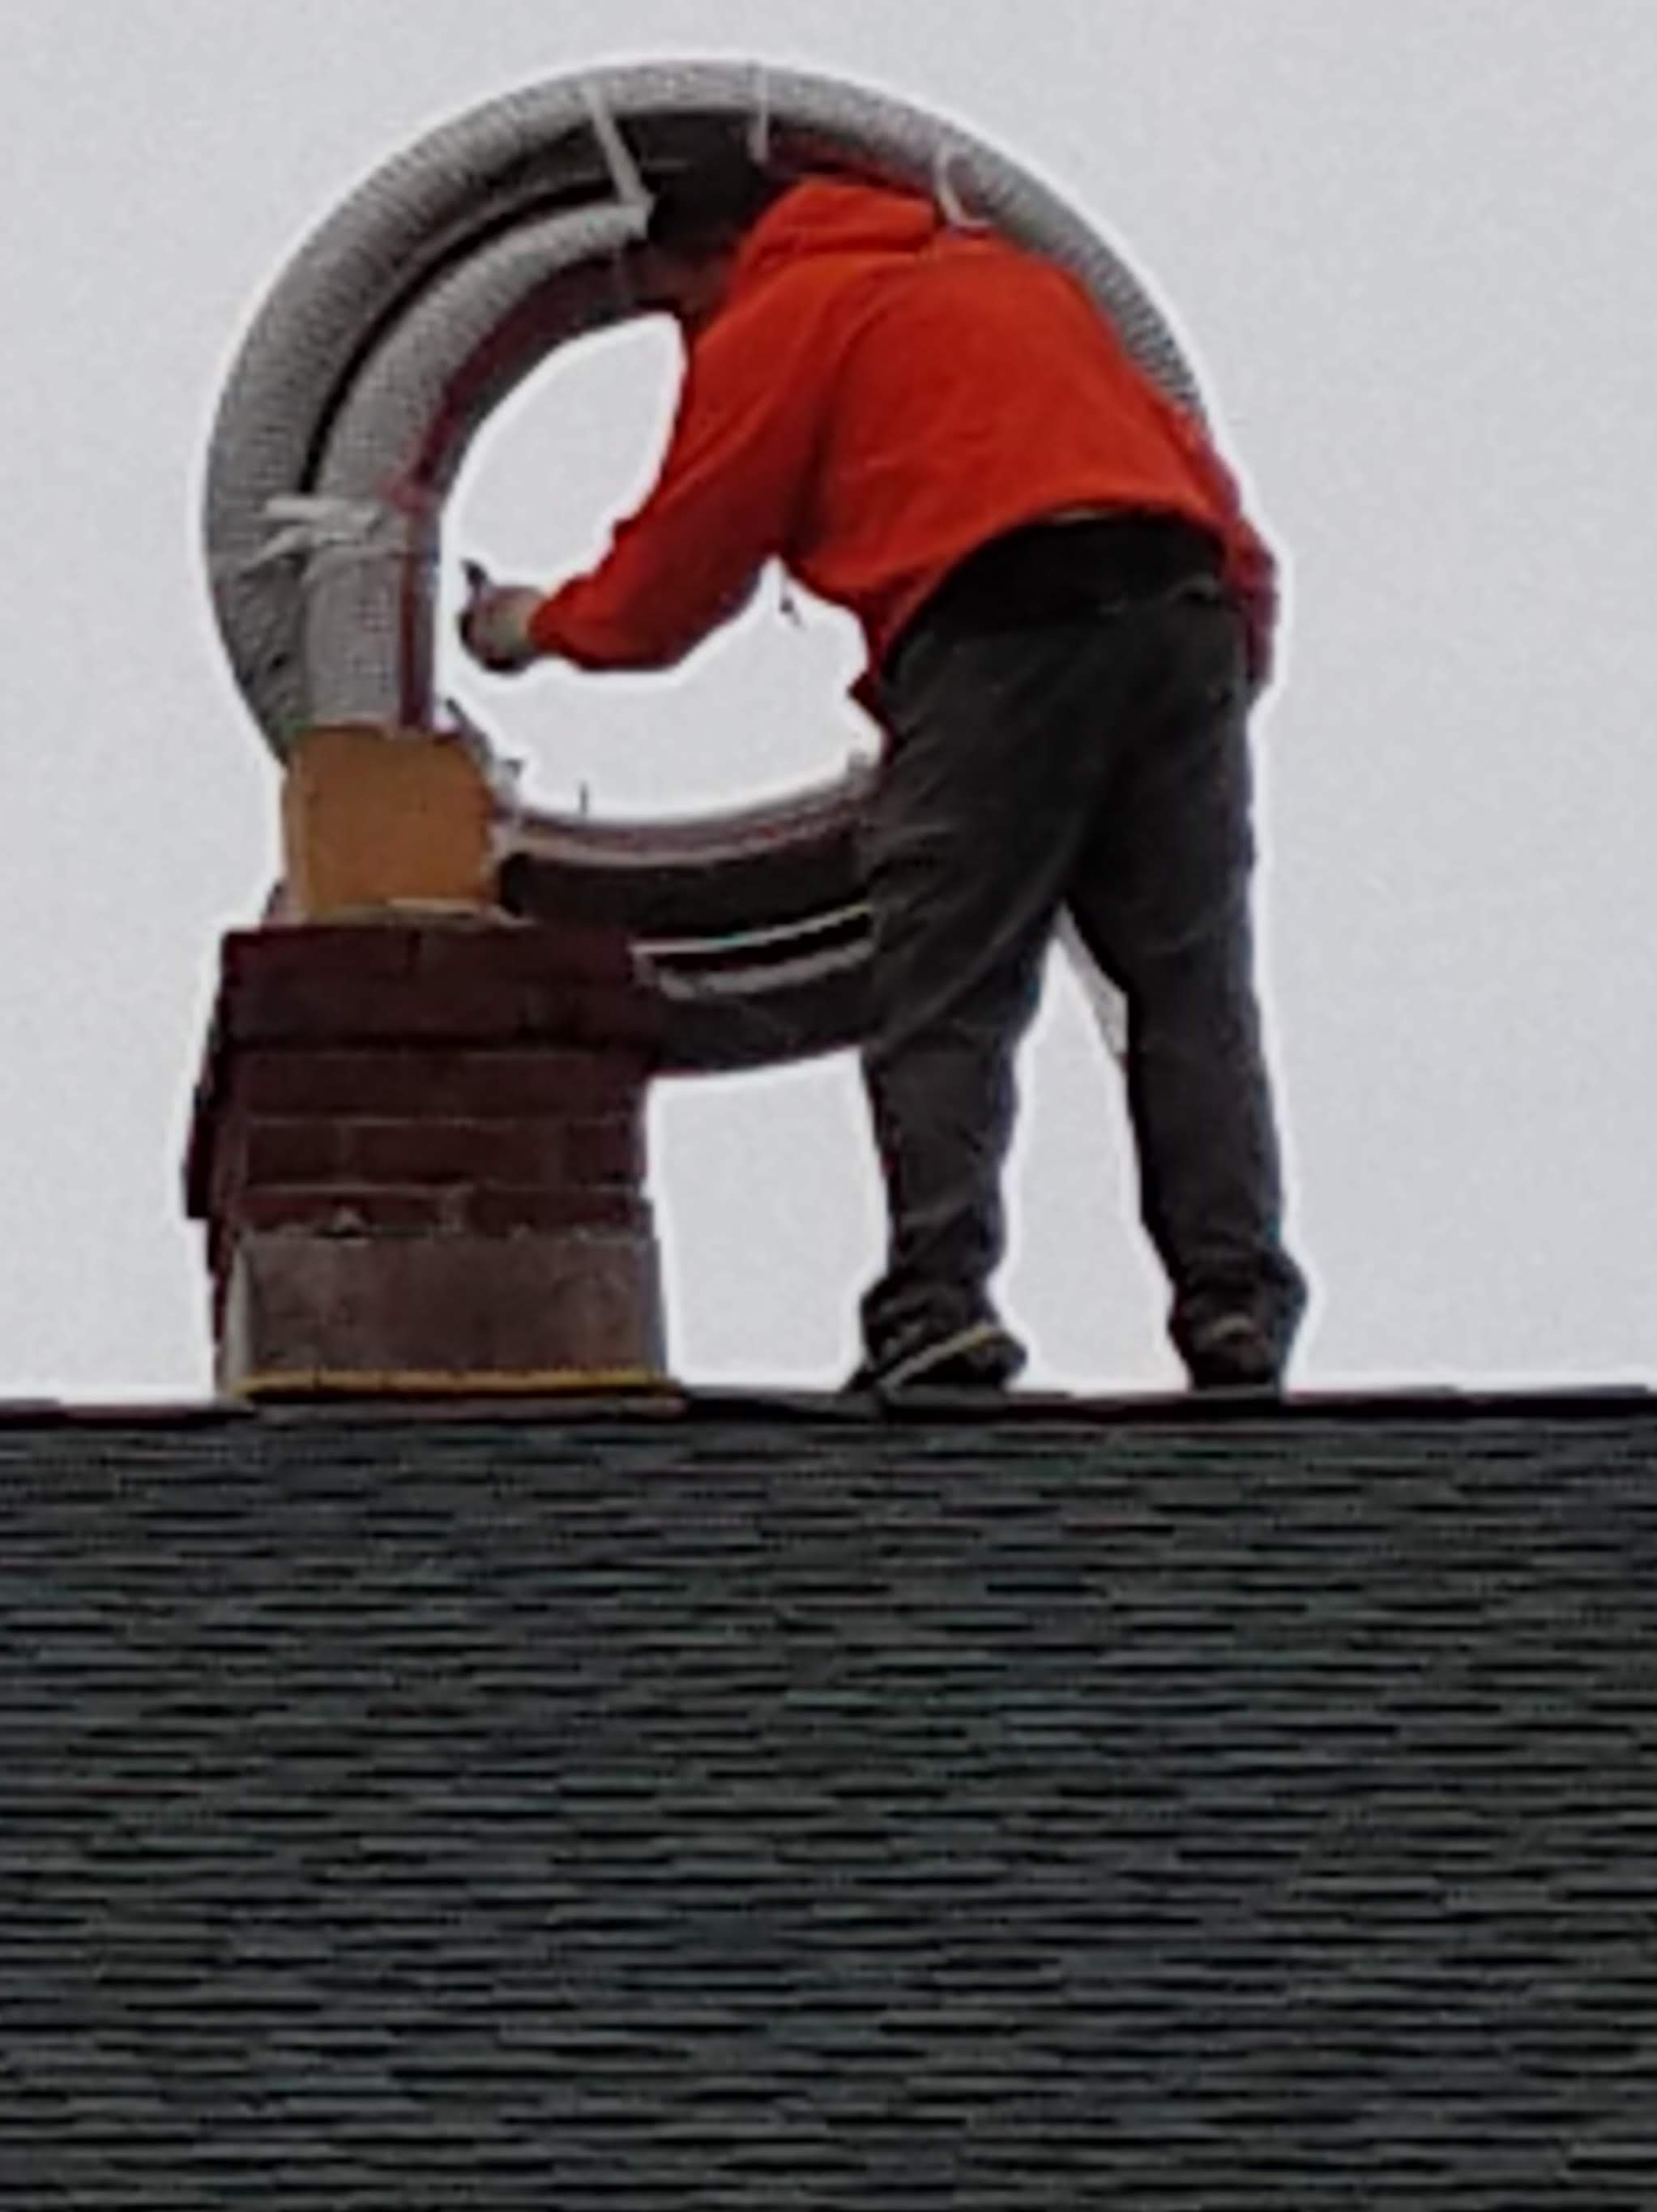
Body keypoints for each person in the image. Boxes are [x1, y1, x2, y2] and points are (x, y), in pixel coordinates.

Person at [459, 135, 1308, 1399]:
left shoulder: (784, 309)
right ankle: (1232, 1305)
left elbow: (673, 582)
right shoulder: (1015, 285)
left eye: (682, 302)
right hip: (1181, 614)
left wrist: (528, 626)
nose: (689, 332)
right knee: (1188, 991)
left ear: (710, 259)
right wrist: (1218, 663)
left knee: (944, 979)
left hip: (995, 622)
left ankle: (938, 1303)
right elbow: (1213, 502)